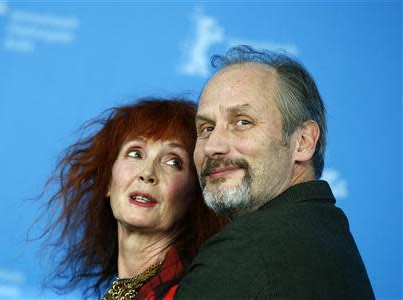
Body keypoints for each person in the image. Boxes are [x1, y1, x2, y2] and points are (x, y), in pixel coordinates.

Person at [175, 46, 375, 299]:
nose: (213, 146)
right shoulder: (327, 232)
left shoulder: (247, 248)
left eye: (242, 122)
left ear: (302, 141)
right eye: (206, 128)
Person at [39, 98, 226, 299]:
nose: (147, 173)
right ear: (108, 182)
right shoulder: (124, 291)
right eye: (136, 154)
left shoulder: (194, 292)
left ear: (194, 196)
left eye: (173, 161)